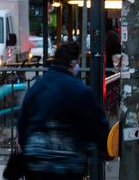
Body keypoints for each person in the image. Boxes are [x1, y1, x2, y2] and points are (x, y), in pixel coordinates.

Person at [19, 42, 109, 180]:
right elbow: (96, 125)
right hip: (67, 164)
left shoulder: (38, 86)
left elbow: (23, 122)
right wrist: (107, 147)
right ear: (73, 63)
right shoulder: (79, 90)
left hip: (36, 162)